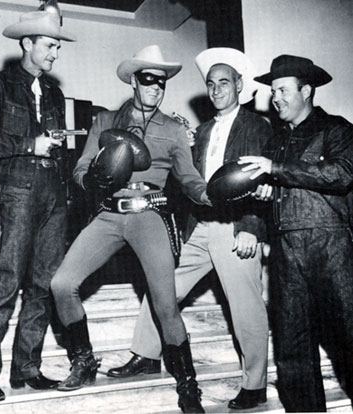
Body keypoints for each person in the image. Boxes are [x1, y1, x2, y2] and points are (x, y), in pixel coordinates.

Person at [108, 47, 272, 410]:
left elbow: (260, 183)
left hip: (236, 228)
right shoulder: (202, 130)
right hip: (199, 228)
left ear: (239, 86)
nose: (216, 90)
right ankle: (146, 355)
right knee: (162, 285)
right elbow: (186, 181)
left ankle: (255, 385)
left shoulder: (257, 127)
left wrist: (251, 228)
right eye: (211, 84)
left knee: (246, 308)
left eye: (224, 83)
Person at [50, 45, 209, 414]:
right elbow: (79, 170)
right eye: (149, 80)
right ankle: (83, 361)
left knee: (166, 305)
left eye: (162, 82)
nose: (156, 87)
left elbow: (189, 180)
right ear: (135, 82)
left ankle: (188, 385)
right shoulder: (106, 121)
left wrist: (210, 195)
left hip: (149, 214)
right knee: (61, 284)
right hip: (109, 213)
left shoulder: (172, 129)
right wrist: (95, 180)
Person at [0, 5, 76, 402]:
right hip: (16, 192)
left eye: (57, 47)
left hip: (54, 194)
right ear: (27, 43)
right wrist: (30, 144)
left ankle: (27, 368)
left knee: (44, 284)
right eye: (48, 45)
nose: (54, 53)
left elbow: (55, 143)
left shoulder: (54, 92)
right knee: (7, 279)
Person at [239, 54, 353, 412]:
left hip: (331, 247)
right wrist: (265, 192)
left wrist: (276, 169)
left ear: (306, 90)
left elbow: (340, 174)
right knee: (292, 351)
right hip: (286, 252)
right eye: (273, 91)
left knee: (350, 339)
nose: (276, 98)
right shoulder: (275, 141)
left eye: (283, 90)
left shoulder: (336, 130)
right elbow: (279, 188)